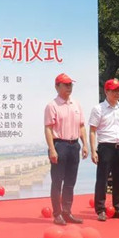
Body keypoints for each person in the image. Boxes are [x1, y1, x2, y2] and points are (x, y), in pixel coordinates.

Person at [44, 73, 88, 226]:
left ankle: (67, 212)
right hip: (59, 145)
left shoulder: (76, 104)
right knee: (57, 182)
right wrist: (52, 149)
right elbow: (48, 129)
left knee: (70, 182)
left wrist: (85, 144)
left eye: (70, 84)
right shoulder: (52, 106)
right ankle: (57, 214)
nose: (69, 87)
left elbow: (81, 126)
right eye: (66, 84)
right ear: (57, 87)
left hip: (74, 145)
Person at [89, 78, 119, 221]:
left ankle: (117, 208)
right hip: (106, 147)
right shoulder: (98, 109)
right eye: (114, 90)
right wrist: (93, 150)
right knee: (102, 179)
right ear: (106, 91)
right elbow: (92, 131)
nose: (118, 93)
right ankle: (100, 209)